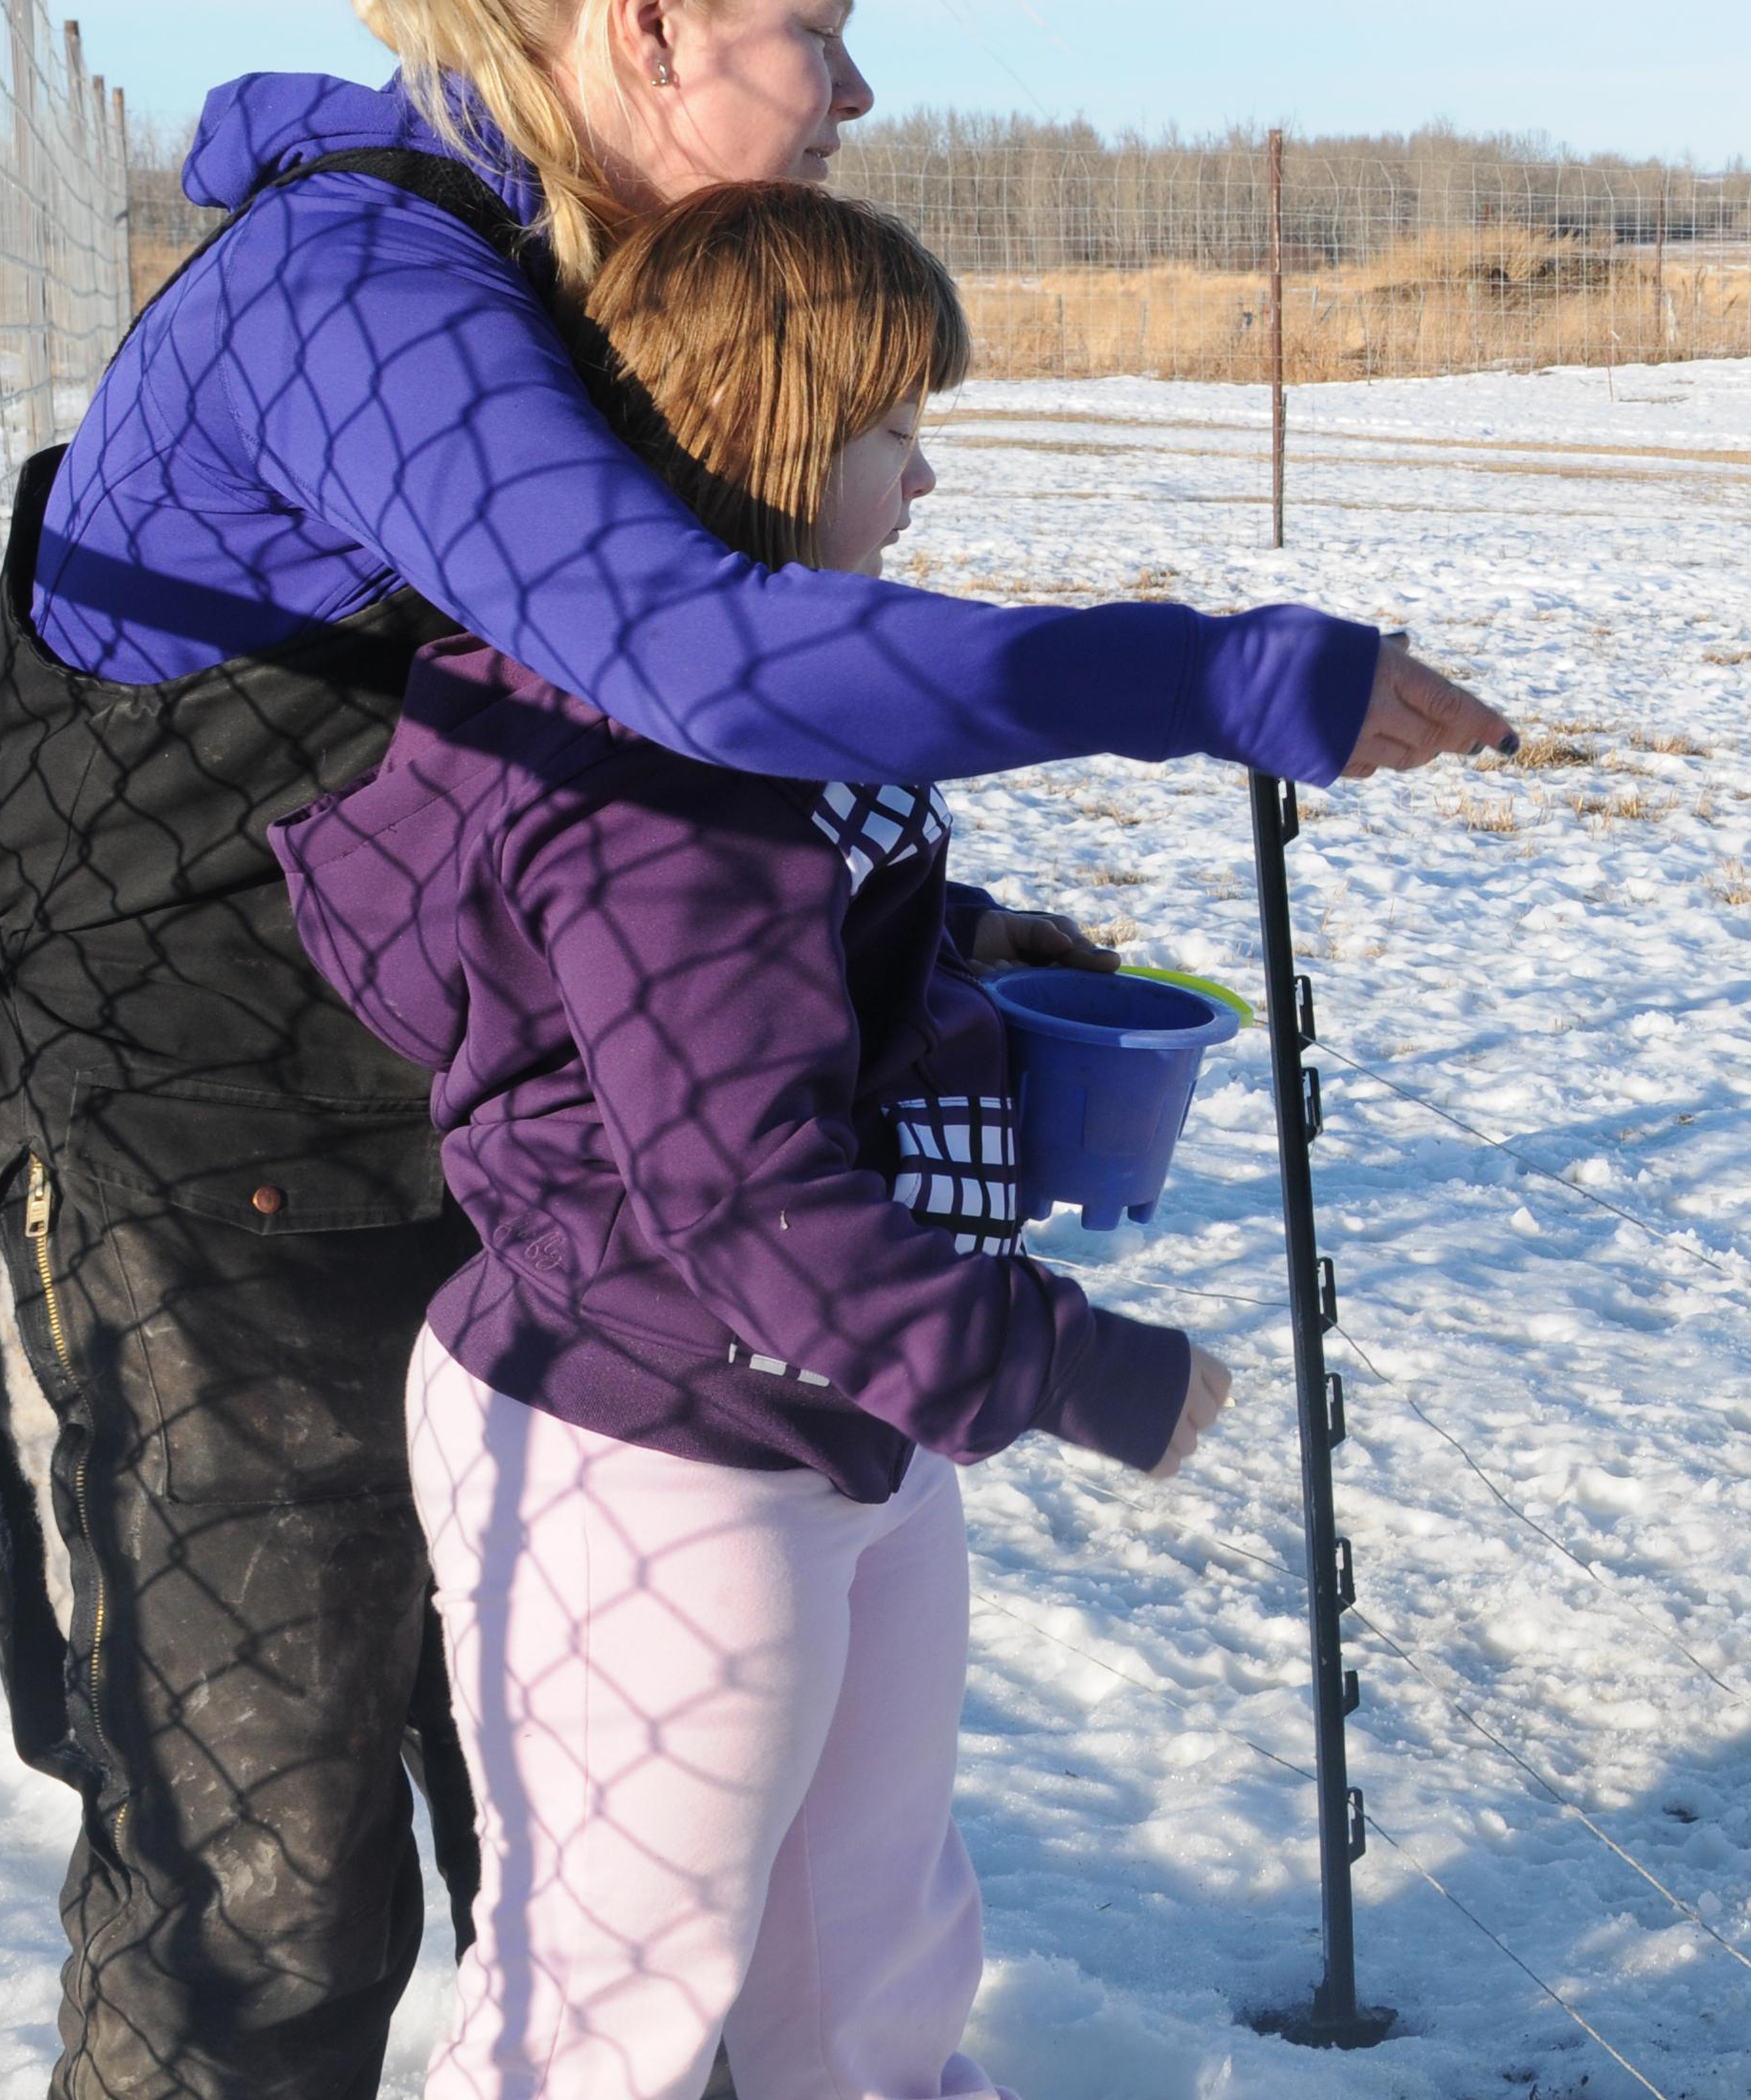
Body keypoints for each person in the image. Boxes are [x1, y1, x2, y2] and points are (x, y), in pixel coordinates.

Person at [0, 0, 1506, 2100]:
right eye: (819, 29)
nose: (857, 92)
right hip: (187, 1169)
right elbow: (697, 669)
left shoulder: (563, 284)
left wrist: (910, 956)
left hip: (476, 1178)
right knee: (265, 1886)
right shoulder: (366, 289)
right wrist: (1211, 669)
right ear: (652, 19)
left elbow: (617, 801)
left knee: (596, 1863)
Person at [277, 180, 1207, 2100]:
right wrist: (1072, 1364)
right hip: (651, 1429)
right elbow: (737, 1188)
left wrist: (963, 954)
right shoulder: (664, 769)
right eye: (890, 433)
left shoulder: (761, 706)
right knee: (611, 1990)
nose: (923, 476)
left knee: (860, 1948)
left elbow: (776, 968)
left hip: (833, 1405)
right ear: (767, 442)